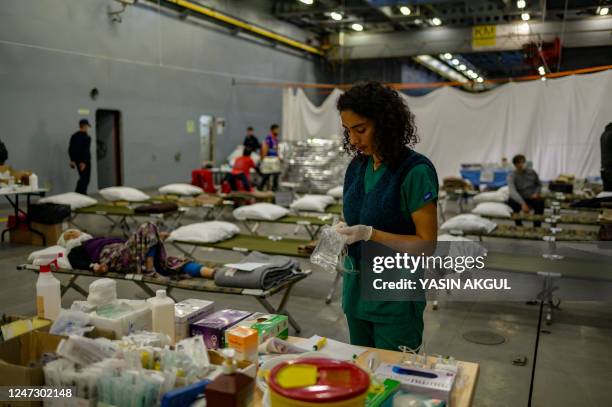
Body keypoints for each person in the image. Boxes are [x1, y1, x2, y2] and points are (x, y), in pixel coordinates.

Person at [333, 82, 438, 352]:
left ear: (386, 123)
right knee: (365, 377)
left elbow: (426, 245)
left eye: (361, 129)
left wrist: (371, 234)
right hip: (356, 292)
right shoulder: (357, 167)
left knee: (393, 379)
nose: (354, 140)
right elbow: (357, 216)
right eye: (348, 131)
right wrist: (343, 233)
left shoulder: (414, 172)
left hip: (394, 298)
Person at [61, 222, 215, 278]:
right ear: (68, 241)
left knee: (172, 262)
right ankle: (149, 268)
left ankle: (209, 272)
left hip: (130, 255)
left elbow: (130, 244)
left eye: (74, 231)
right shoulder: (77, 249)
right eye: (69, 234)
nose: (74, 232)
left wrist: (153, 238)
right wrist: (94, 266)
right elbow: (76, 262)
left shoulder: (95, 239)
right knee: (148, 226)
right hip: (112, 259)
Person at [507, 154, 544, 227]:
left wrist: (536, 193)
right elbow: (512, 191)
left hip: (531, 196)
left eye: (523, 162)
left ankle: (537, 226)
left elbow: (538, 184)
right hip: (520, 197)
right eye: (519, 163)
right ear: (515, 165)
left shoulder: (532, 172)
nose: (522, 164)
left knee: (540, 202)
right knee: (511, 201)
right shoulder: (512, 176)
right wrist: (522, 204)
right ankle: (518, 224)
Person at [69, 119, 92, 195]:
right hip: (84, 162)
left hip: (77, 160)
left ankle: (79, 194)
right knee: (85, 179)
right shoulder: (86, 137)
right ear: (84, 126)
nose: (87, 128)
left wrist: (72, 160)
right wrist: (84, 162)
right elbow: (85, 150)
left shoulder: (74, 136)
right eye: (87, 126)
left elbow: (71, 149)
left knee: (82, 178)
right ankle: (80, 194)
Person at [259, 124, 281, 191]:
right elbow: (265, 148)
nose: (278, 131)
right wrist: (263, 159)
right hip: (268, 159)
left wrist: (278, 157)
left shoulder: (276, 139)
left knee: (276, 173)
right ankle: (260, 187)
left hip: (274, 159)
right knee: (266, 174)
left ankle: (275, 189)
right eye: (277, 130)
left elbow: (276, 149)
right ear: (272, 130)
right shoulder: (269, 138)